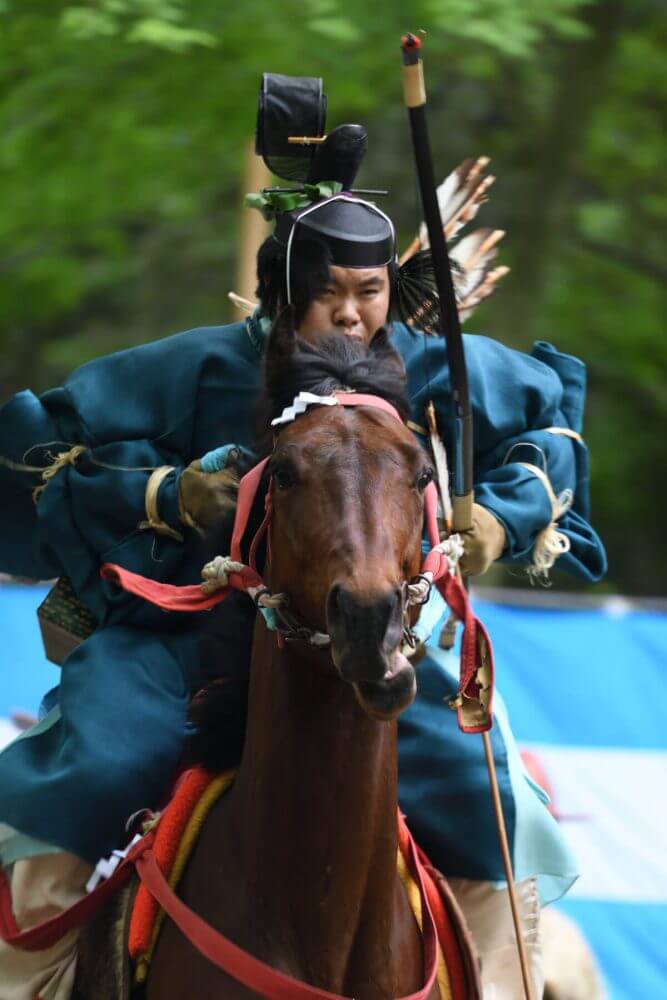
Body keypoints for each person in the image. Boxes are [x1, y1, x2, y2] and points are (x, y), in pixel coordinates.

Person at [0, 106, 605, 1000]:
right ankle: (30, 976)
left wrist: (501, 519)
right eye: (333, 294)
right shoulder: (198, 366)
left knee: (487, 799)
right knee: (89, 768)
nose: (355, 314)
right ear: (285, 294)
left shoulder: (432, 366)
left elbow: (548, 428)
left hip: (373, 639)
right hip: (184, 636)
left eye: (371, 292)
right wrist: (162, 494)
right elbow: (36, 452)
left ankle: (503, 980)